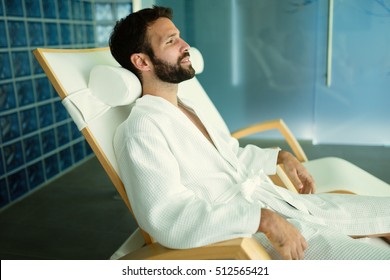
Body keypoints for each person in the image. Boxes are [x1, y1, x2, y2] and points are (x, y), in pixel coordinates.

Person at [109, 6, 390, 260]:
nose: (185, 46)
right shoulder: (141, 129)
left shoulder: (186, 107)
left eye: (179, 37)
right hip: (249, 235)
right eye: (171, 41)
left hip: (278, 206)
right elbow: (169, 218)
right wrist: (262, 220)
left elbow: (230, 157)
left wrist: (280, 157)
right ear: (142, 62)